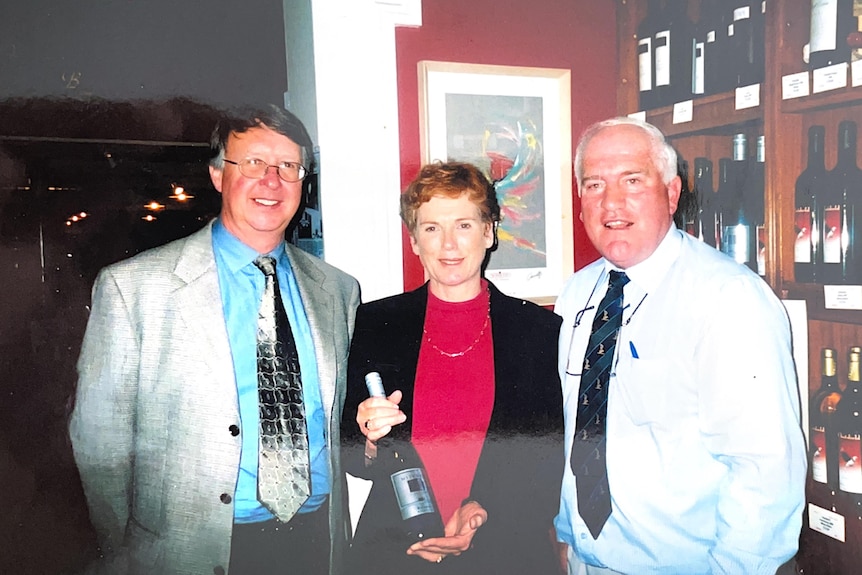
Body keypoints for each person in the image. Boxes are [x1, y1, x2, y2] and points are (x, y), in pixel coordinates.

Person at [69, 105, 360, 575]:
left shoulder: (339, 291)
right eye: (252, 163)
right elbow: (100, 443)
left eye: (289, 166)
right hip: (192, 547)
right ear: (217, 175)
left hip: (315, 539)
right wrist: (129, 552)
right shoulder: (136, 288)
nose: (272, 180)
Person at [555, 116, 806, 574]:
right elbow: (579, 429)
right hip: (587, 561)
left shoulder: (728, 298)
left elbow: (765, 469)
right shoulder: (576, 295)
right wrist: (568, 537)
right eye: (594, 185)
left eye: (632, 180)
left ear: (671, 193)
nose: (611, 202)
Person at [341, 161, 564, 575]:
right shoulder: (376, 323)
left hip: (504, 549)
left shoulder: (539, 332)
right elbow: (353, 457)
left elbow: (547, 459)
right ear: (413, 240)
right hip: (394, 553)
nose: (448, 244)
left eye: (463, 225)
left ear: (488, 232)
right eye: (430, 228)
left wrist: (483, 510)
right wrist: (369, 438)